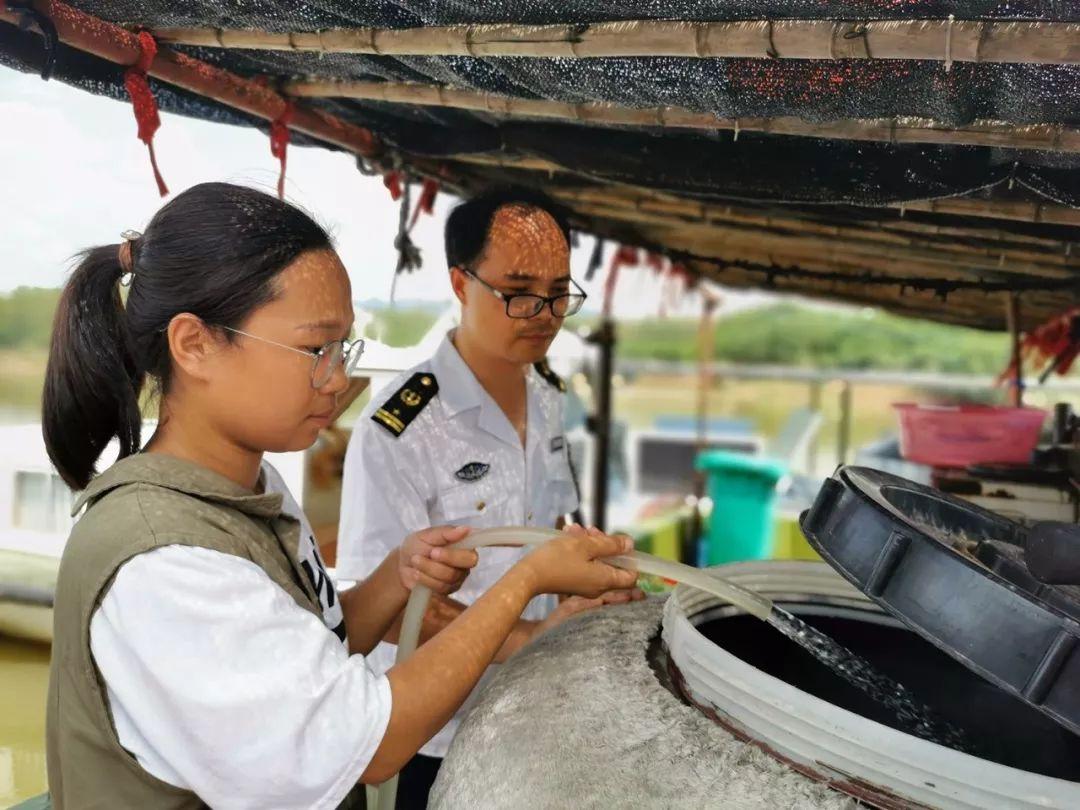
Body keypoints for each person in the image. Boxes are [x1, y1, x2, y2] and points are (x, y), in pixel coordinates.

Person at [41, 182, 639, 810]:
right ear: (195, 345)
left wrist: (396, 577)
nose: (340, 379)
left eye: (343, 347)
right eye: (315, 348)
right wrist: (529, 582)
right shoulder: (164, 560)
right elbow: (363, 740)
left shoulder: (250, 487)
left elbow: (313, 645)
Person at [336, 186, 641, 806]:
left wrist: (590, 588)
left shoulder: (549, 399)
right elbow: (383, 609)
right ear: (460, 282)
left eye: (559, 293)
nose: (544, 313)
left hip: (528, 713)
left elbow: (547, 528)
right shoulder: (402, 423)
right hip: (433, 733)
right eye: (520, 292)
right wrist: (531, 639)